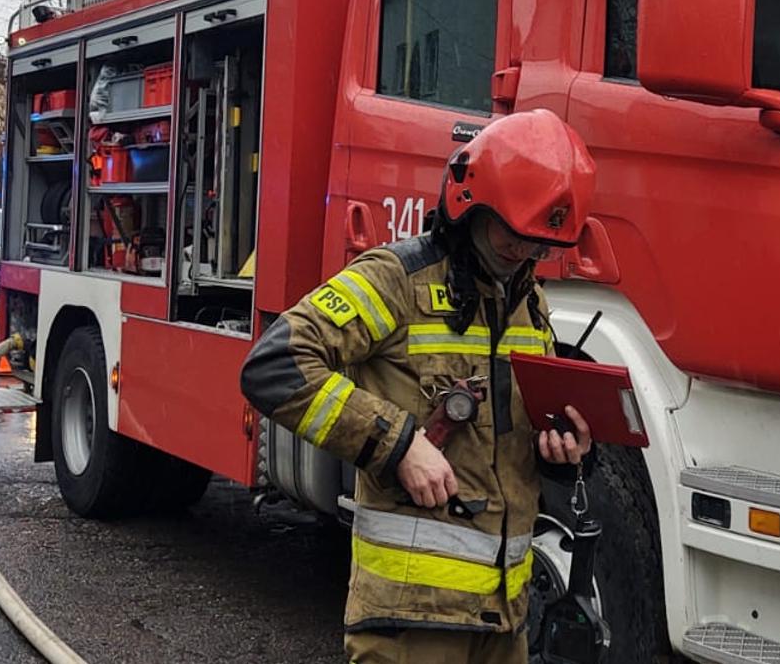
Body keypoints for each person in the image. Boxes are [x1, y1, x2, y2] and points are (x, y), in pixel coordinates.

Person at [240, 108, 599, 664]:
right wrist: (398, 444)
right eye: (512, 234)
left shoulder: (529, 302)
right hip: (411, 621)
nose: (524, 253)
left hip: (505, 623)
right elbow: (275, 366)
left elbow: (504, 444)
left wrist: (562, 452)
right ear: (471, 204)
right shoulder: (396, 279)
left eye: (540, 245)